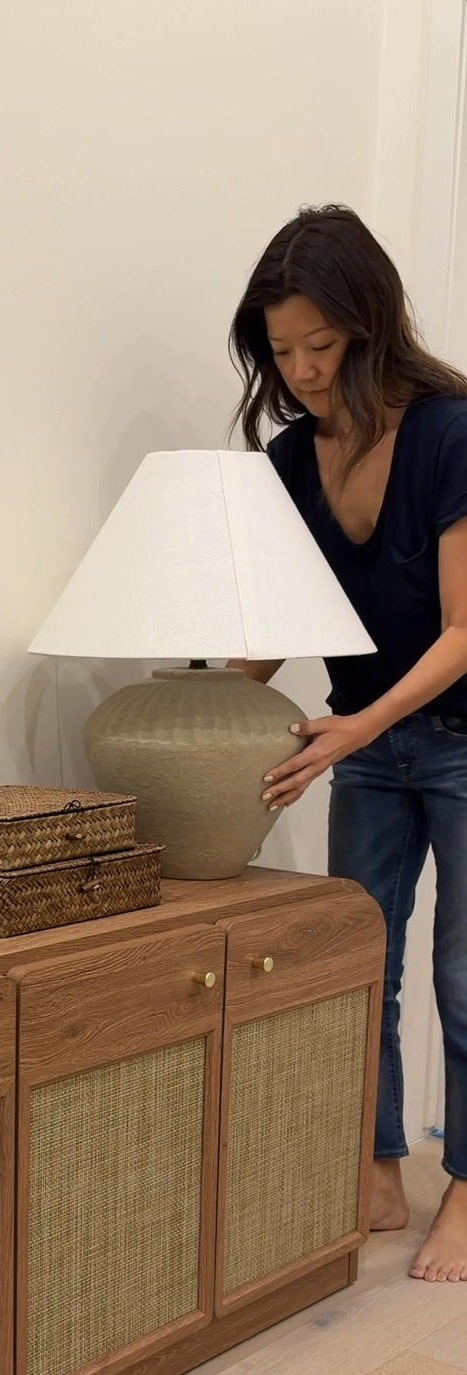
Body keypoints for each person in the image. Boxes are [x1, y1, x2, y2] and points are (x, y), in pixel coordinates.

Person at [229, 205, 467, 1283]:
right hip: (363, 747)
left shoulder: (451, 433)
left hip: (453, 738)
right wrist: (202, 683)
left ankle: (463, 1185)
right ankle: (378, 1165)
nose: (304, 371)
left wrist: (361, 724)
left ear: (369, 328)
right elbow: (285, 627)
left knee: (466, 975)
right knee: (359, 963)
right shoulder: (290, 458)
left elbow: (464, 631)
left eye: (320, 347)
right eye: (282, 352)